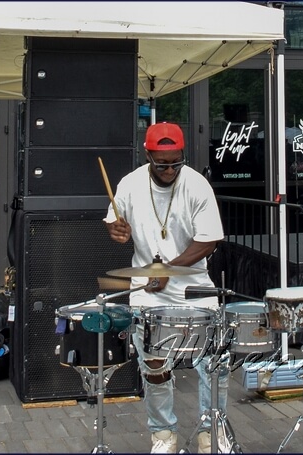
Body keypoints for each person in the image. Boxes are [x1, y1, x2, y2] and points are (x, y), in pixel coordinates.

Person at [104, 122, 229, 453]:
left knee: (213, 366)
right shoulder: (130, 185)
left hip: (195, 290)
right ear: (148, 156)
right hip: (147, 292)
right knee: (155, 368)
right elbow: (114, 223)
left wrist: (170, 270)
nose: (171, 169)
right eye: (162, 164)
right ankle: (163, 435)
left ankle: (211, 433)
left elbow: (209, 241)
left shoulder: (197, 186)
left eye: (177, 161)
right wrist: (116, 230)